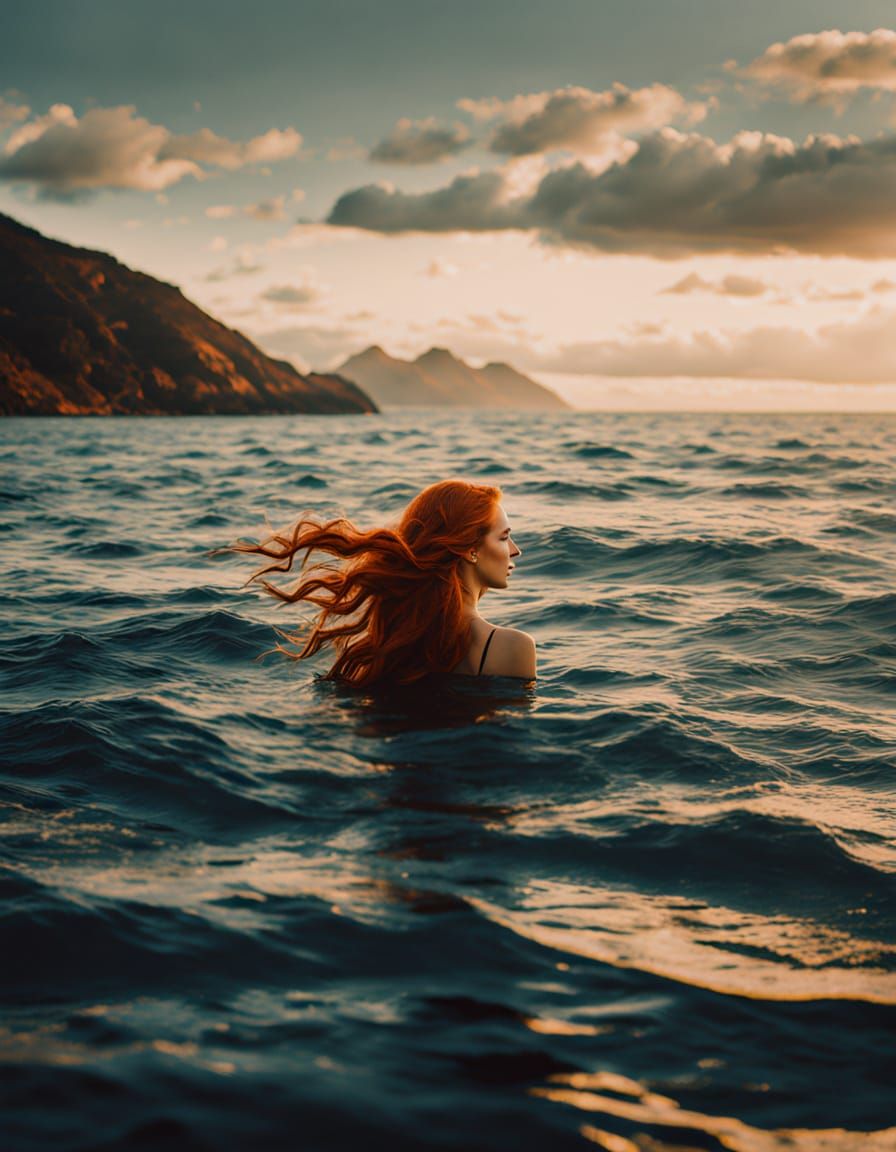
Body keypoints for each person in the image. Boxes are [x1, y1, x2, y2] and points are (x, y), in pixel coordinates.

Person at [220, 479, 536, 686]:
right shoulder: (512, 647)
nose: (515, 550)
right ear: (470, 549)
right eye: (505, 537)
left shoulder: (384, 645)